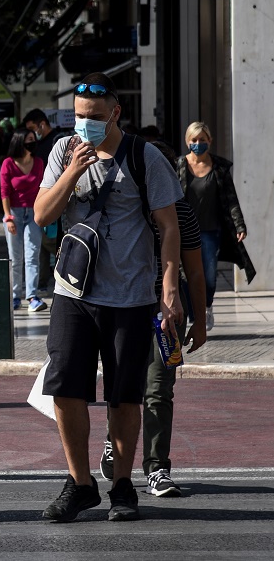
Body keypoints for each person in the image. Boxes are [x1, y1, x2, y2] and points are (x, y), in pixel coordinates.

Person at [34, 72, 183, 522]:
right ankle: (80, 483)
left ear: (115, 112)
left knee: (125, 395)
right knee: (65, 387)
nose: (86, 125)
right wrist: (75, 170)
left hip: (131, 297)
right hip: (73, 292)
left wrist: (169, 289)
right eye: (79, 117)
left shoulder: (144, 156)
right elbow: (43, 213)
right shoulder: (63, 151)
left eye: (95, 118)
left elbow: (170, 227)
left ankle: (122, 485)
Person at [100, 198, 207, 498]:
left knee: (159, 390)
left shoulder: (182, 211)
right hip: (122, 308)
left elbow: (195, 270)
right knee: (122, 387)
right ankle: (114, 438)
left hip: (167, 316)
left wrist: (200, 321)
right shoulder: (124, 204)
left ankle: (157, 468)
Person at [175, 121, 252, 331]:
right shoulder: (179, 166)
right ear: (187, 141)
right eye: (194, 140)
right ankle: (193, 314)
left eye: (202, 140)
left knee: (208, 275)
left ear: (209, 141)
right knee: (184, 275)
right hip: (185, 231)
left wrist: (239, 225)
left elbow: (231, 199)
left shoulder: (219, 168)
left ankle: (207, 307)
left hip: (210, 231)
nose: (198, 144)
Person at [23, 108, 71, 293]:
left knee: (48, 241)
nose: (33, 134)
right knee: (42, 244)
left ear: (42, 124)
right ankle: (41, 281)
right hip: (42, 200)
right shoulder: (39, 144)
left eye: (33, 128)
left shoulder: (56, 143)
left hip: (54, 200)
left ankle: (67, 263)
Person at [0, 128, 48, 312]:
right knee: (15, 256)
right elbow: (4, 192)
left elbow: (44, 186)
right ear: (19, 141)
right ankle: (14, 296)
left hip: (34, 212)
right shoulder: (8, 164)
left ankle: (32, 296)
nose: (32, 142)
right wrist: (8, 217)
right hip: (14, 213)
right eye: (29, 139)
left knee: (32, 255)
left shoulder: (38, 163)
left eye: (33, 139)